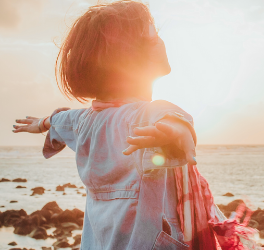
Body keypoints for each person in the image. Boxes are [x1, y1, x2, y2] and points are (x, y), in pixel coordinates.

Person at [13, 1, 205, 249]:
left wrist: (41, 123)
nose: (160, 41)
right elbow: (166, 115)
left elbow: (61, 120)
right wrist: (176, 131)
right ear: (130, 57)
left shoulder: (84, 121)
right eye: (153, 35)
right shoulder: (141, 116)